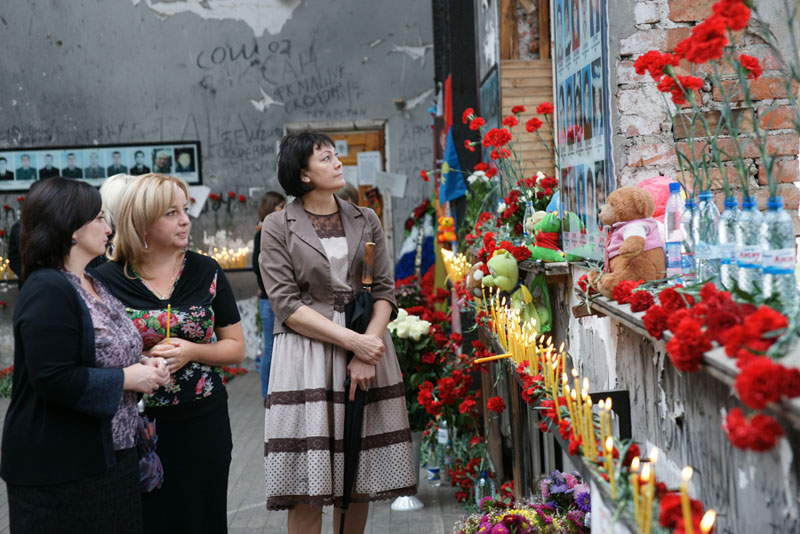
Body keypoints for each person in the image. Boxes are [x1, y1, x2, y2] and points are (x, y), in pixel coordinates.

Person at [261, 132, 415, 534]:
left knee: (357, 477)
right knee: (306, 487)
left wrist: (368, 349)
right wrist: (353, 343)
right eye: (325, 158)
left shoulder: (365, 218)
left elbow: (384, 290)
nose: (337, 162)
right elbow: (286, 305)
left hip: (367, 345)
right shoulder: (278, 225)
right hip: (307, 355)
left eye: (334, 155)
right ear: (304, 175)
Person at [0, 177, 170, 534]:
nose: (108, 228)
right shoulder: (48, 289)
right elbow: (53, 378)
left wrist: (144, 365)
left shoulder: (94, 281)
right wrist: (128, 379)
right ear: (70, 227)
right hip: (62, 469)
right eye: (98, 218)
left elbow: (105, 351)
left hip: (111, 459)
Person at [95, 173, 245, 534]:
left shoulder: (205, 270)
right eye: (171, 213)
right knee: (149, 520)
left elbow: (236, 348)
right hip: (137, 426)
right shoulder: (106, 279)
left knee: (203, 518)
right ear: (143, 223)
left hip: (202, 420)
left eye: (185, 210)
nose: (184, 220)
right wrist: (141, 356)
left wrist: (192, 350)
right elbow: (94, 353)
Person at [252, 190, 286, 405]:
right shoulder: (263, 232)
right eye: (281, 207)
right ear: (272, 208)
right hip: (270, 299)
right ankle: (267, 395)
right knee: (271, 348)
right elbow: (257, 266)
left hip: (273, 298)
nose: (284, 211)